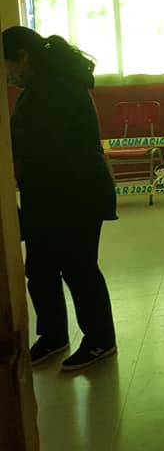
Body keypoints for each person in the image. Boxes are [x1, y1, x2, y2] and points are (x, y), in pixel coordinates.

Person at [3, 26, 117, 370]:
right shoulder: (41, 87)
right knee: (40, 268)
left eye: (7, 65)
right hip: (48, 192)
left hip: (77, 191)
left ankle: (100, 340)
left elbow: (42, 142)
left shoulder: (59, 87)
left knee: (79, 267)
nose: (7, 74)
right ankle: (53, 336)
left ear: (23, 57)